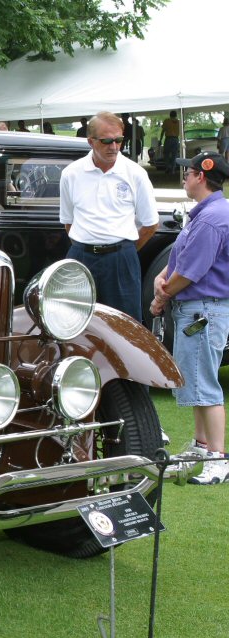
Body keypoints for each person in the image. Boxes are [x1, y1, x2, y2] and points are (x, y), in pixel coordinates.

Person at [150, 151, 229, 484]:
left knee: (205, 385)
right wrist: (164, 276)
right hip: (201, 307)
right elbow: (183, 259)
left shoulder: (211, 218)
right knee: (197, 382)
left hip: (202, 308)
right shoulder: (209, 214)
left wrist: (163, 294)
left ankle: (218, 459)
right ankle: (201, 447)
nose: (184, 177)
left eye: (188, 172)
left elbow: (192, 271)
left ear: (201, 177)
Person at [59, 111, 159, 321]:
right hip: (81, 257)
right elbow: (68, 221)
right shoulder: (71, 174)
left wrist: (122, 249)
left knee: (126, 326)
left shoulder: (135, 174)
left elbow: (150, 225)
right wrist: (89, 245)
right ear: (90, 141)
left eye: (119, 140)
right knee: (72, 321)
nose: (114, 147)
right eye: (106, 141)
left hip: (121, 259)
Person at [159, 110, 181, 174]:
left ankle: (168, 166)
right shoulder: (179, 122)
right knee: (174, 155)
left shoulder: (166, 121)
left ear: (170, 115)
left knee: (166, 153)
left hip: (168, 139)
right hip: (176, 139)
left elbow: (163, 131)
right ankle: (173, 170)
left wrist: (160, 139)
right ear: (176, 115)